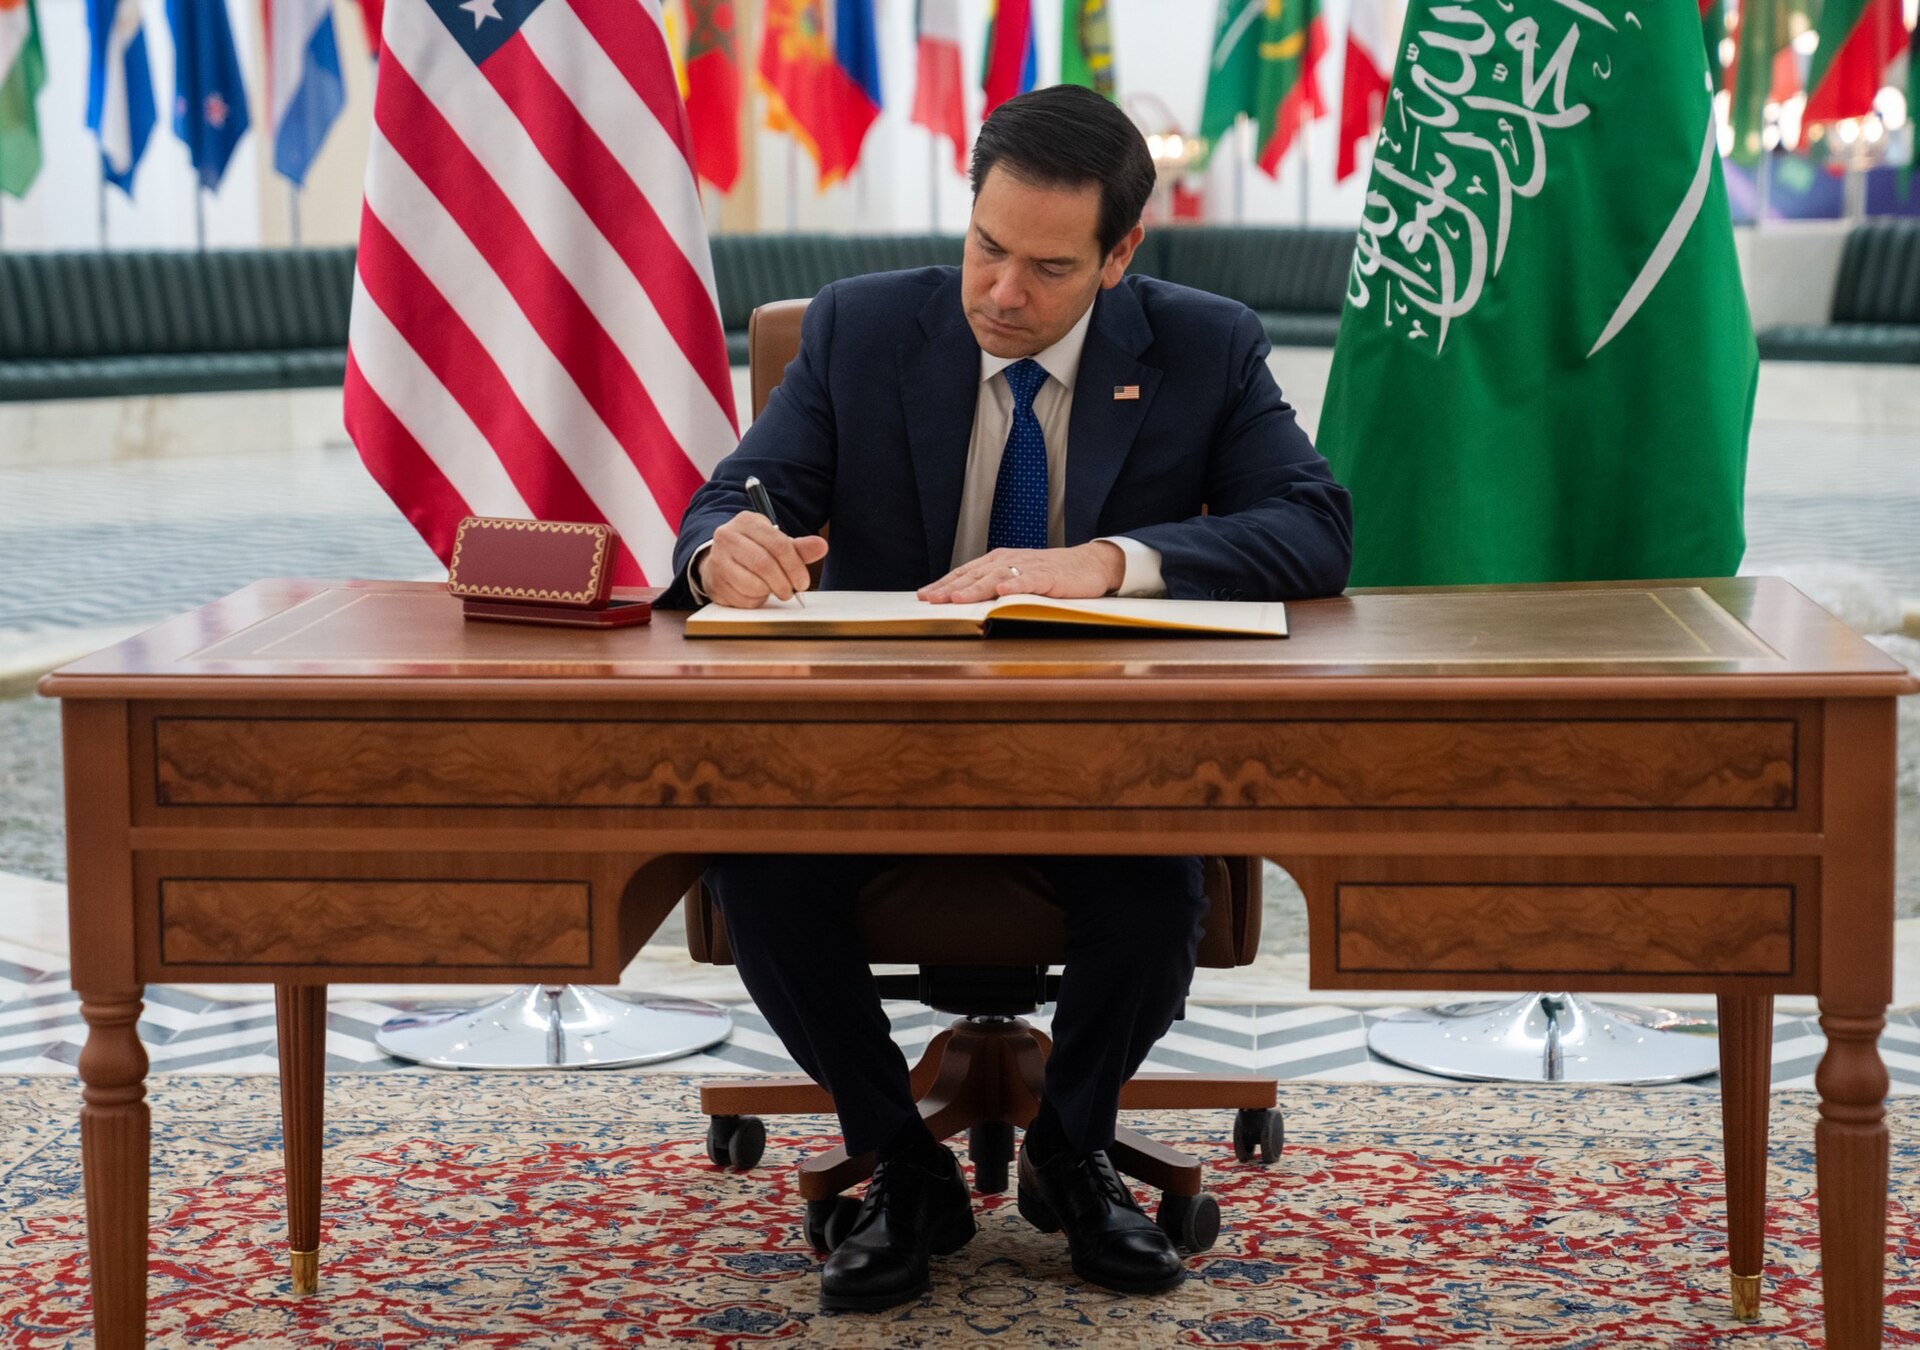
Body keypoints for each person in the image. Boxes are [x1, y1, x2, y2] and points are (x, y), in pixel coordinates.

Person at [658, 85, 1352, 1312]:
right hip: (872, 755)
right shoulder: (861, 330)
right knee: (756, 869)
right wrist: (723, 546)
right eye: (986, 246)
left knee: (1154, 883)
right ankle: (905, 1163)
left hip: (1102, 766)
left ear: (1121, 253)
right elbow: (732, 494)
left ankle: (1075, 1153)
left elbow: (1314, 527)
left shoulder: (1206, 344)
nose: (1000, 293)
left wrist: (1107, 564)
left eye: (1046, 266)